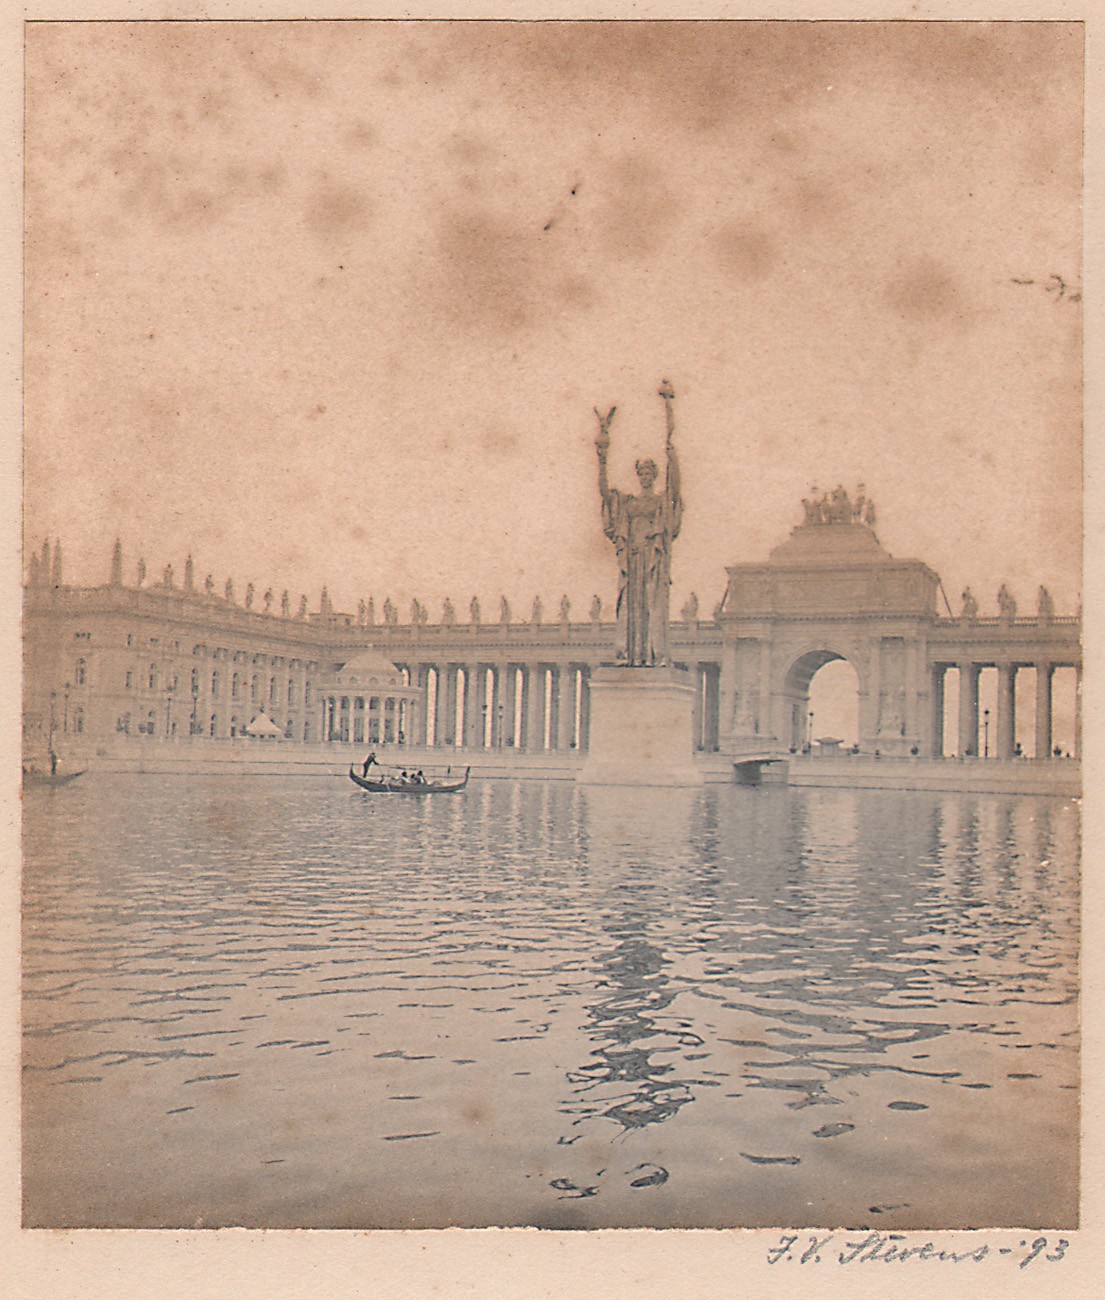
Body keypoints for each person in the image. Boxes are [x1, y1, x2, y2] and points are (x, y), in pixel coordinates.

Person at [595, 379, 683, 666]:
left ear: (654, 476)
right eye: (641, 473)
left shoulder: (660, 501)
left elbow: (676, 486)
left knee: (653, 608)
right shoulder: (629, 503)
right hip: (633, 559)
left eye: (649, 473)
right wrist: (602, 458)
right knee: (630, 609)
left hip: (652, 560)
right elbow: (605, 493)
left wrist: (669, 419)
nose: (644, 477)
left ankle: (654, 654)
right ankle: (628, 655)